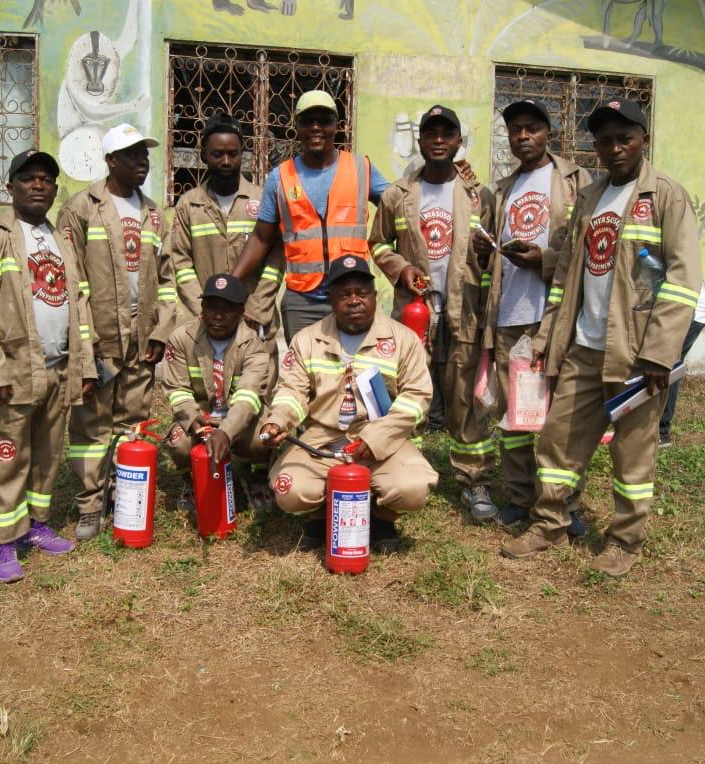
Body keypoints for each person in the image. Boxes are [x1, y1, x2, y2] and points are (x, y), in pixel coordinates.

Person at [500, 99, 702, 577]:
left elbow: (682, 279)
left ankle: (624, 542)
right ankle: (548, 523)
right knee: (557, 442)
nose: (614, 149)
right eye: (605, 140)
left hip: (634, 353)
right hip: (583, 347)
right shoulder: (589, 197)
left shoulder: (666, 197)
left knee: (631, 453)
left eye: (624, 139)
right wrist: (551, 334)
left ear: (643, 140)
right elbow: (568, 270)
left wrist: (658, 352)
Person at [0, 150, 95, 583]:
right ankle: (3, 543)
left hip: (58, 369)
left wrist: (85, 366)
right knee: (7, 456)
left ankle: (35, 526)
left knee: (46, 454)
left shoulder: (62, 240)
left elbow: (81, 304)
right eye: (29, 178)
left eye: (47, 179)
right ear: (10, 185)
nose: (39, 185)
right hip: (13, 373)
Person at [368, 104, 498, 523]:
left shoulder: (480, 195)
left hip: (465, 310)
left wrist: (489, 255)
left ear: (459, 141)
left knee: (463, 399)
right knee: (409, 391)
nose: (439, 140)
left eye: (447, 134)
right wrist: (400, 268)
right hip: (414, 314)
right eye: (431, 134)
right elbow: (378, 243)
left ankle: (472, 480)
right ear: (420, 141)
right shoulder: (397, 194)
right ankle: (402, 469)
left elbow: (496, 250)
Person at [260, 256, 438, 552]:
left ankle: (381, 519)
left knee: (413, 488)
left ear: (374, 295)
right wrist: (278, 421)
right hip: (324, 440)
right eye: (344, 295)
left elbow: (417, 397)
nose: (354, 300)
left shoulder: (403, 339)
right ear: (330, 299)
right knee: (290, 490)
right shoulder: (307, 339)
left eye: (362, 293)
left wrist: (377, 437)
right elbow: (292, 391)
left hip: (384, 438)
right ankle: (321, 516)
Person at [474, 99, 592, 534]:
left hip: (555, 317)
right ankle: (521, 497)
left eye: (531, 129)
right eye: (515, 130)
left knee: (562, 418)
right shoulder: (503, 189)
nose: (522, 137)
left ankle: (565, 503)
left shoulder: (576, 182)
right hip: (508, 315)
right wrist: (485, 251)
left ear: (549, 133)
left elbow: (585, 252)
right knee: (515, 416)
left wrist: (543, 260)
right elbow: (488, 252)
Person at [56, 123, 175, 540]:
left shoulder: (154, 213)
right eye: (131, 154)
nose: (142, 160)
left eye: (144, 152)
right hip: (101, 337)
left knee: (133, 419)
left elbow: (168, 279)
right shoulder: (81, 208)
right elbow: (72, 281)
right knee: (91, 426)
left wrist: (161, 330)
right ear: (110, 161)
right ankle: (90, 503)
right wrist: (84, 343)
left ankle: (125, 495)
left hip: (141, 340)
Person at [230, 89, 390, 342]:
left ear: (337, 126)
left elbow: (399, 206)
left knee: (354, 373)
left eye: (324, 121)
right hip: (302, 300)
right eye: (308, 121)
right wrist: (232, 281)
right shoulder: (280, 177)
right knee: (305, 375)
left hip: (353, 295)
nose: (316, 127)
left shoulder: (361, 168)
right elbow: (261, 238)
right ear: (297, 127)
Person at [166, 112, 283, 380]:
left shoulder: (262, 198)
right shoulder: (189, 205)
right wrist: (205, 311)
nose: (227, 161)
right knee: (211, 399)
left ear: (243, 154)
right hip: (210, 325)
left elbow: (276, 260)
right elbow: (181, 264)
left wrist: (256, 306)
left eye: (233, 153)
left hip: (255, 321)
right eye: (218, 154)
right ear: (204, 155)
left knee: (256, 398)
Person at [161, 273, 273, 510]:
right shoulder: (182, 338)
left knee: (263, 438)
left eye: (228, 309)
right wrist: (195, 423)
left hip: (238, 420)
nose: (218, 316)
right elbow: (177, 390)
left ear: (242, 311)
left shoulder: (253, 344)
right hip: (200, 418)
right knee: (178, 443)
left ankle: (258, 477)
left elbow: (248, 397)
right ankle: (190, 481)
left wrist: (226, 432)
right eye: (212, 308)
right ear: (202, 307)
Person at [658, 285, 705, 447]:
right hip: (681, 310)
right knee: (667, 365)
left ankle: (662, 432)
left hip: (690, 312)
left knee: (669, 367)